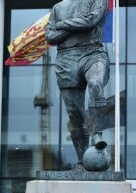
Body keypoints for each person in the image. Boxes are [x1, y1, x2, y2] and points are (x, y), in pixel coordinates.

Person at [46, 0, 110, 168]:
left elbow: (91, 21)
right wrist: (78, 25)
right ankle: (82, 161)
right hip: (66, 58)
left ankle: (97, 134)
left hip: (92, 52)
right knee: (75, 114)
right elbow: (50, 37)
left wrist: (62, 25)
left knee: (96, 84)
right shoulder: (57, 7)